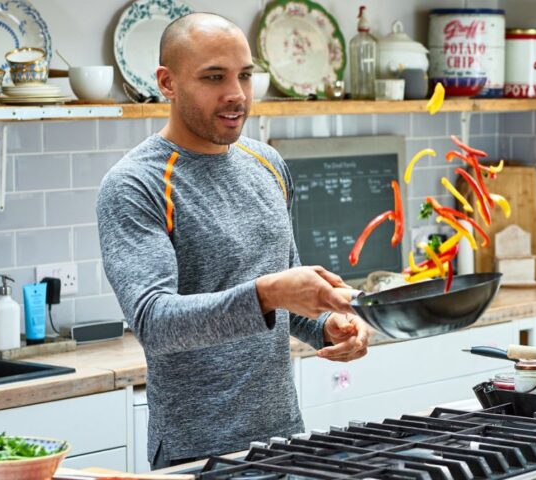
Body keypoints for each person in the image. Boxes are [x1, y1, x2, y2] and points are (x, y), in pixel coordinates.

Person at [97, 12, 370, 470]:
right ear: (167, 82)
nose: (236, 95)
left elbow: (284, 297)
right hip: (198, 452)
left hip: (283, 439)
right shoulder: (134, 184)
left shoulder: (267, 164)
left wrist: (325, 323)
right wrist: (269, 292)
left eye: (245, 75)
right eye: (213, 78)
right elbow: (155, 322)